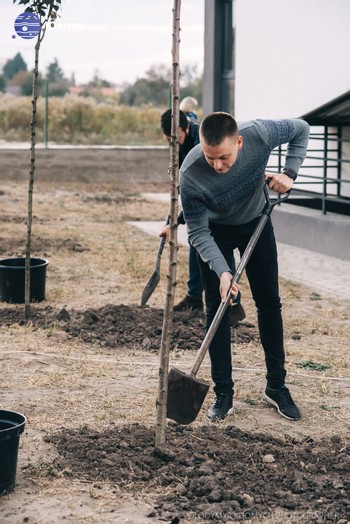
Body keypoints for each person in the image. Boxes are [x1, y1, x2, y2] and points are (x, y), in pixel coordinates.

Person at [180, 112, 310, 421]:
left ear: (239, 142)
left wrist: (290, 172)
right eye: (211, 158)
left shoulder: (260, 134)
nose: (217, 165)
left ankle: (276, 386)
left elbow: (301, 129)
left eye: (224, 157)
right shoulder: (191, 174)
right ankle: (224, 392)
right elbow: (197, 232)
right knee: (217, 307)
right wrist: (223, 271)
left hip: (257, 221)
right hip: (216, 232)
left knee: (269, 303)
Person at [160, 108, 245, 327]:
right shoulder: (178, 146)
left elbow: (204, 188)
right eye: (169, 139)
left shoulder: (202, 144)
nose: (173, 142)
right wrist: (172, 221)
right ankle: (195, 297)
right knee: (196, 244)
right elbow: (186, 194)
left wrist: (177, 220)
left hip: (219, 197)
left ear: (186, 128)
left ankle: (233, 304)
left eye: (176, 137)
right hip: (200, 199)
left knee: (217, 246)